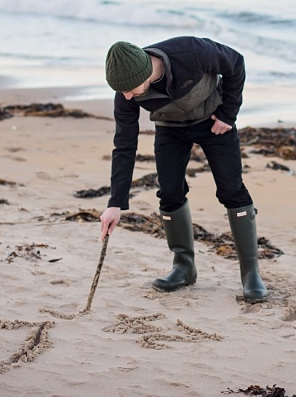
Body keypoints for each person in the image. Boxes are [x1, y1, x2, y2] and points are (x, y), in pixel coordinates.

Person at [99, 36, 268, 302]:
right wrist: (115, 203)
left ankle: (251, 274)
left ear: (145, 72)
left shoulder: (192, 51)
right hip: (170, 129)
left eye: (130, 90)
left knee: (231, 190)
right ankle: (183, 267)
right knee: (169, 193)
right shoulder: (125, 92)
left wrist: (228, 114)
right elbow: (124, 145)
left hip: (214, 121)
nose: (127, 97)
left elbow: (235, 63)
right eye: (121, 92)